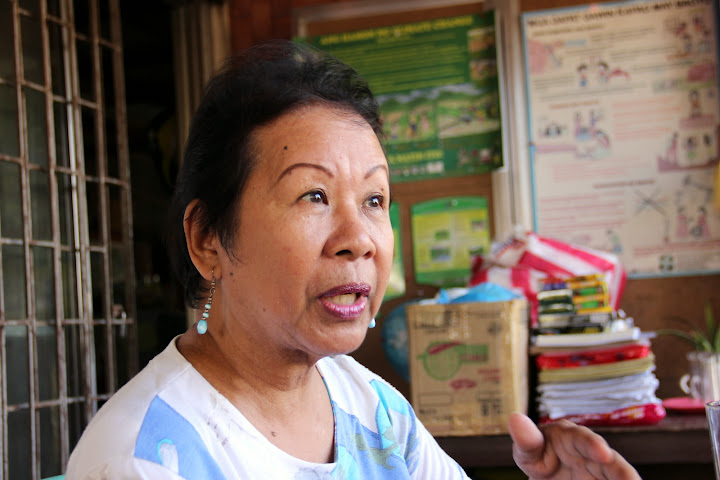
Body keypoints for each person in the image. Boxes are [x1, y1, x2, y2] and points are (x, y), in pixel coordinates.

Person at [65, 40, 640, 479]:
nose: (360, 239)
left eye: (374, 200)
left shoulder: (375, 413)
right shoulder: (148, 458)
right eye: (313, 195)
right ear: (207, 240)